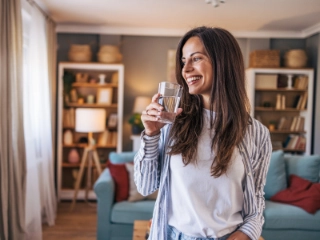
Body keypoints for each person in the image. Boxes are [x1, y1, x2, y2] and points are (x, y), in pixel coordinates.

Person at [133, 26, 272, 240]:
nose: (185, 69)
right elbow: (145, 186)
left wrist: (243, 236)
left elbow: (256, 204)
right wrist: (151, 134)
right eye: (183, 61)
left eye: (195, 59)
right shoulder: (171, 123)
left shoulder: (256, 134)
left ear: (223, 63)